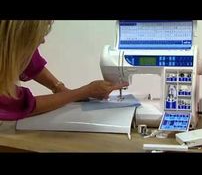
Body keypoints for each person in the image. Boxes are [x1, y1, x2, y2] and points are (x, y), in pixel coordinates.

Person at [0, 20, 128, 121]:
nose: (43, 41)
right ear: (16, 40)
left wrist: (59, 88)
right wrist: (84, 91)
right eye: (37, 38)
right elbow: (24, 106)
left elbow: (31, 61)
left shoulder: (7, 43)